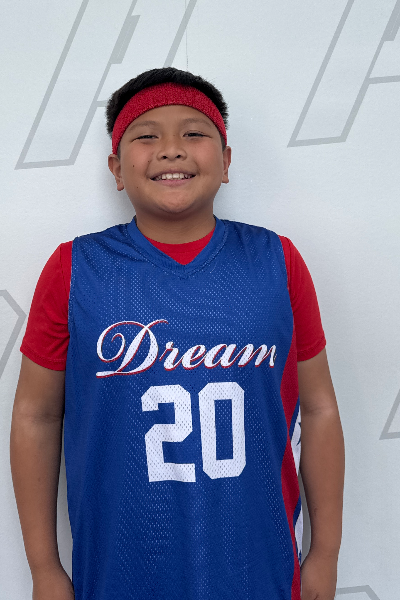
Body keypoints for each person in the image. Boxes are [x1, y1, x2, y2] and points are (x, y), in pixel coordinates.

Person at [10, 67, 345, 600]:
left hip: (257, 568)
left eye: (193, 132)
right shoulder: (74, 269)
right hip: (119, 572)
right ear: (117, 168)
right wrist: (44, 568)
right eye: (146, 136)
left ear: (226, 161)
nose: (171, 149)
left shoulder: (277, 261)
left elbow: (320, 408)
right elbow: (36, 415)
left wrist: (324, 553)